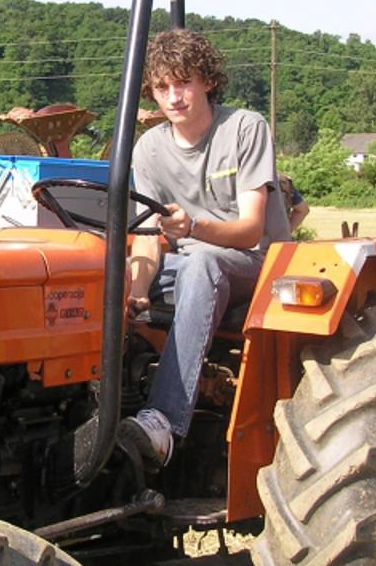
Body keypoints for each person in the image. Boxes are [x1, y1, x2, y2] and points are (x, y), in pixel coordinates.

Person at [120, 28, 291, 466]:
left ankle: (163, 421)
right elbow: (146, 236)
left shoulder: (244, 128)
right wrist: (135, 292)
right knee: (96, 277)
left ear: (207, 81)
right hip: (188, 262)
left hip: (258, 263)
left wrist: (193, 226)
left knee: (203, 265)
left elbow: (252, 229)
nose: (173, 97)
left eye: (183, 83)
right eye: (162, 87)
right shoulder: (149, 149)